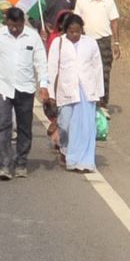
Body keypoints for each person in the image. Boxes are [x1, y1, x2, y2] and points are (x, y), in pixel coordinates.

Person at [0, 7, 50, 181]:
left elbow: (41, 62)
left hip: (25, 88)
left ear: (22, 23)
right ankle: (4, 164)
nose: (14, 29)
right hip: (2, 87)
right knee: (3, 125)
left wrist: (43, 84)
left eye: (17, 26)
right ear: (7, 22)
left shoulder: (32, 36)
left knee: (24, 127)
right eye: (11, 26)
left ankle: (21, 162)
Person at [47, 14, 104, 173]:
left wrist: (99, 93)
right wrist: (50, 92)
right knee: (65, 124)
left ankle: (83, 161)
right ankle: (65, 150)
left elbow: (97, 67)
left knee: (86, 128)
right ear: (66, 31)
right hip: (65, 90)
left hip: (87, 91)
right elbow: (51, 68)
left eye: (78, 31)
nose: (75, 35)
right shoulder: (58, 43)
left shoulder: (90, 43)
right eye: (71, 32)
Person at [74, 0, 120, 110]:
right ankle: (89, 103)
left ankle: (103, 104)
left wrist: (116, 43)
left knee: (104, 73)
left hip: (104, 42)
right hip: (86, 41)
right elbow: (77, 22)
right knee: (87, 73)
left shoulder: (108, 0)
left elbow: (114, 22)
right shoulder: (81, 1)